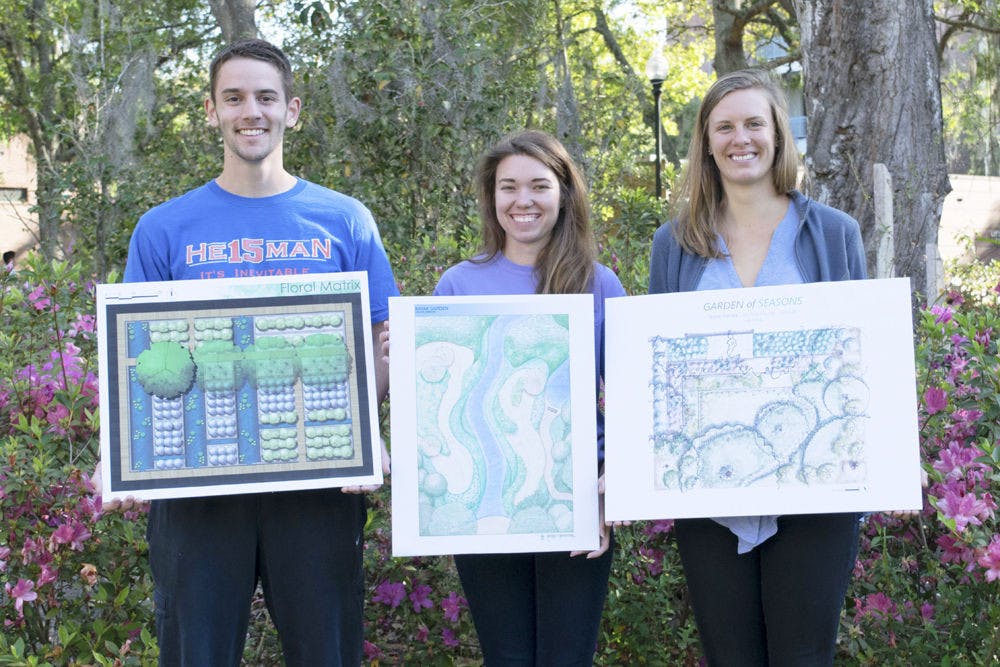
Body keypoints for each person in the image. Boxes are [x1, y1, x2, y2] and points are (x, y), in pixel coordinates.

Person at [113, 39, 397, 666]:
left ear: (292, 110)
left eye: (266, 97)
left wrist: (365, 425)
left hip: (319, 486)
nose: (252, 112)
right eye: (234, 98)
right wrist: (131, 451)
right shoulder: (164, 228)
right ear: (211, 111)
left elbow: (382, 347)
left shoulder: (345, 221)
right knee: (197, 653)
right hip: (197, 493)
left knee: (327, 651)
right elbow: (141, 361)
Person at [647, 69, 864, 666]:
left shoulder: (834, 235)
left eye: (753, 124)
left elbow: (860, 357)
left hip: (816, 491)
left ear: (776, 134)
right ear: (706, 142)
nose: (740, 139)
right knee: (730, 656)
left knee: (802, 656)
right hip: (711, 493)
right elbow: (659, 371)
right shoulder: (675, 244)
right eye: (724, 127)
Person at [432, 130, 625, 665]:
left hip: (576, 500)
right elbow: (442, 401)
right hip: (484, 506)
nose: (523, 200)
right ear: (491, 198)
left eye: (539, 186)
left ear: (564, 193)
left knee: (567, 656)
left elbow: (631, 397)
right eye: (508, 187)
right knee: (507, 656)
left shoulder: (598, 283)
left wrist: (613, 487)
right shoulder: (458, 285)